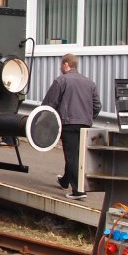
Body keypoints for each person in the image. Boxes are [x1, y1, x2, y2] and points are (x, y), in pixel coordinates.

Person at [41, 53, 102, 200]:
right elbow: (97, 106)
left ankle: (78, 191)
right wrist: (89, 117)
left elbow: (50, 104)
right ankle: (65, 181)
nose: (60, 67)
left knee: (72, 157)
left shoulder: (61, 81)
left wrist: (43, 122)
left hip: (68, 123)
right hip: (85, 124)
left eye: (61, 64)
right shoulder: (90, 83)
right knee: (77, 155)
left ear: (66, 64)